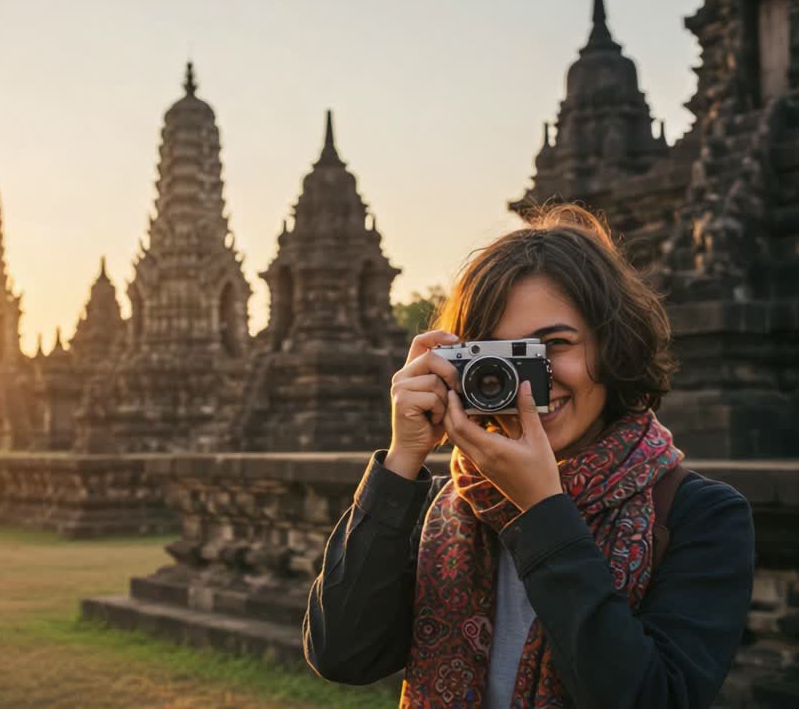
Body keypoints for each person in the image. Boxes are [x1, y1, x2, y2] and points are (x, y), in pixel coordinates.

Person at [303, 205, 755, 708]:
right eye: (499, 357)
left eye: (553, 345)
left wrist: (544, 510)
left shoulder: (702, 516)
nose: (527, 382)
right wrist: (402, 462)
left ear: (612, 347)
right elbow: (341, 654)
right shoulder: (447, 509)